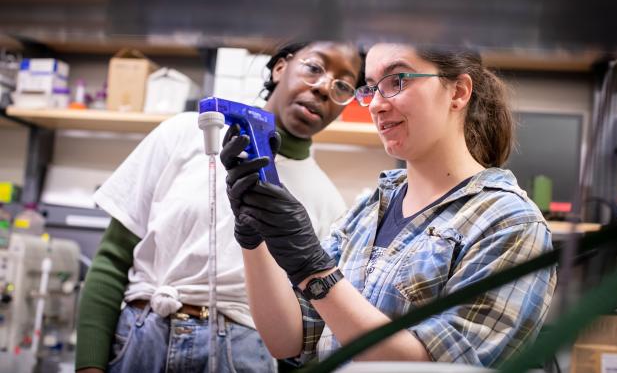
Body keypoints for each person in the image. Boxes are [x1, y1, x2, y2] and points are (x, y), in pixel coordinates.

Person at [223, 43, 557, 368]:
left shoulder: (510, 223)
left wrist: (313, 269)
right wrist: (255, 237)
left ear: (457, 92)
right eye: (370, 88)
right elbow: (287, 340)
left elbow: (435, 368)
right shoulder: (366, 212)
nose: (375, 105)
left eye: (396, 81)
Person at [75, 41, 363, 373]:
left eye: (344, 85)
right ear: (281, 67)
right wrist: (89, 365)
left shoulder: (329, 202)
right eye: (314, 67)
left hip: (242, 352)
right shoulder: (187, 133)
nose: (325, 88)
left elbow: (309, 328)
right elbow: (112, 259)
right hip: (143, 336)